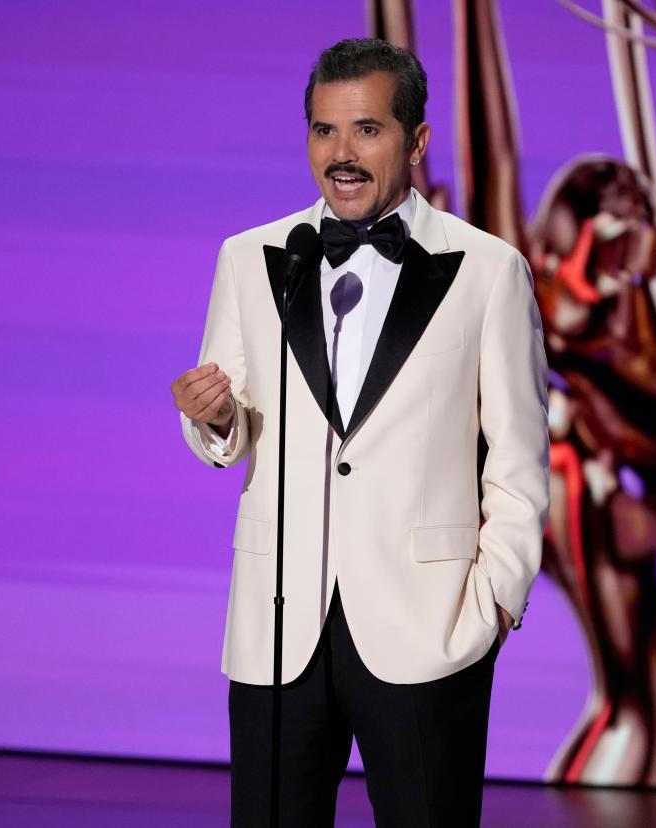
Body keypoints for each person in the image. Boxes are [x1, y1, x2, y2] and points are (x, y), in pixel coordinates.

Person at [171, 38, 550, 827]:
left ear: (416, 141)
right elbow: (231, 430)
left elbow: (518, 464)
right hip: (279, 625)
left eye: (366, 131)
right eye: (323, 131)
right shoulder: (252, 260)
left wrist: (493, 604)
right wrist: (213, 420)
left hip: (428, 625)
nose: (340, 155)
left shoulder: (487, 270)